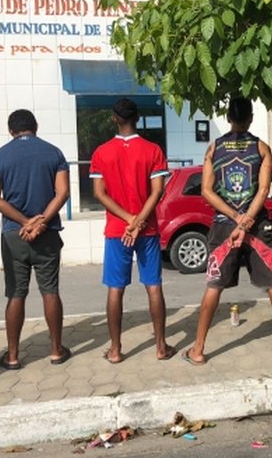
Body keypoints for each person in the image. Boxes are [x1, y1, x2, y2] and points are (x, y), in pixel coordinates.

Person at [181, 97, 272, 365]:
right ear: (251, 118)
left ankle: (198, 350)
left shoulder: (214, 148)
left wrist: (234, 218)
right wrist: (247, 219)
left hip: (223, 226)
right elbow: (264, 190)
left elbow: (206, 191)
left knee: (214, 286)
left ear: (228, 118)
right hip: (257, 224)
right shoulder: (261, 148)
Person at [90, 98, 176, 363]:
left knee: (115, 289)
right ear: (137, 118)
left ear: (114, 118)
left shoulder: (101, 152)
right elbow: (158, 191)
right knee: (153, 286)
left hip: (117, 230)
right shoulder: (152, 150)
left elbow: (99, 193)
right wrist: (138, 221)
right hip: (147, 229)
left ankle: (115, 350)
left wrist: (128, 220)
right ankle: (161, 347)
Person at [0, 109, 71, 370]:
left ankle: (12, 356)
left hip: (14, 235)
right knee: (50, 291)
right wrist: (41, 221)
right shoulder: (54, 153)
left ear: (10, 130)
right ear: (35, 126)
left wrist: (24, 222)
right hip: (46, 234)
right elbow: (63, 192)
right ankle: (56, 350)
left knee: (15, 294)